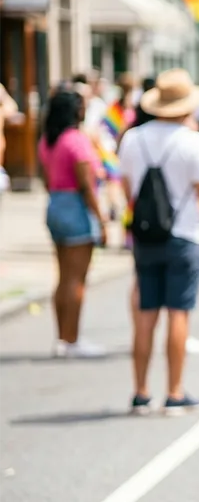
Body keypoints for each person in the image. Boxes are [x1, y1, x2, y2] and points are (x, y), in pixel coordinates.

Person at [119, 69, 199, 414]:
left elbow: (126, 189)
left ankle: (139, 392)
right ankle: (174, 392)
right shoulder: (193, 141)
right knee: (178, 312)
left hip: (146, 236)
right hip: (184, 235)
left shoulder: (132, 138)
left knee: (145, 312)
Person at [37, 87, 107, 358]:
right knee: (77, 279)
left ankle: (61, 338)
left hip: (55, 203)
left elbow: (45, 178)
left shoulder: (48, 140)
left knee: (63, 276)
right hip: (75, 206)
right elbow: (87, 185)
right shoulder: (75, 139)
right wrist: (101, 220)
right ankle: (72, 339)